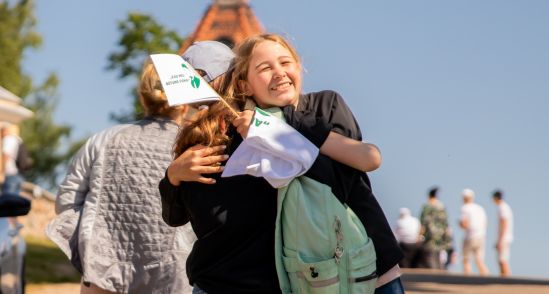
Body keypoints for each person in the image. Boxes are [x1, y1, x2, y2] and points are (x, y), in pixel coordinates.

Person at [160, 33, 404, 293]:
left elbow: (345, 179)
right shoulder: (208, 138)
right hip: (249, 280)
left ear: (234, 81)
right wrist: (173, 176)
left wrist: (279, 131)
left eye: (205, 80)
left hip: (364, 265)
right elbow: (178, 216)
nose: (198, 101)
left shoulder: (317, 108)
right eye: (265, 67)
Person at [47, 61, 195, 294]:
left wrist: (91, 244)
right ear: (185, 103)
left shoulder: (104, 140)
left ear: (143, 98)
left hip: (103, 273)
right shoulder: (193, 148)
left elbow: (66, 201)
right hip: (174, 277)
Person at [419, 186, 452, 269]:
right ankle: (439, 272)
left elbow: (423, 222)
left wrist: (420, 234)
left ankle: (433, 273)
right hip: (441, 235)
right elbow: (446, 222)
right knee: (439, 254)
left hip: (430, 234)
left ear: (429, 196)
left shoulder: (427, 206)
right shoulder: (441, 206)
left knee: (430, 255)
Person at [459, 188, 489, 276]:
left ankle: (468, 280)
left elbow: (465, 224)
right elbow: (486, 223)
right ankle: (486, 278)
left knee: (466, 259)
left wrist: (460, 224)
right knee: (479, 260)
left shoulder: (465, 208)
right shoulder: (480, 208)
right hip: (481, 236)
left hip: (470, 236)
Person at [492, 189, 514, 276]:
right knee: (501, 260)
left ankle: (506, 280)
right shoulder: (504, 207)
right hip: (504, 237)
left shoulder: (502, 207)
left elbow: (504, 223)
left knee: (502, 260)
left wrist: (500, 240)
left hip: (504, 238)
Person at [1, 124, 25, 194]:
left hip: (10, 173)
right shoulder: (18, 140)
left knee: (7, 199)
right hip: (19, 174)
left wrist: (2, 172)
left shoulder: (8, 139)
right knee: (14, 200)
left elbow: (6, 155)